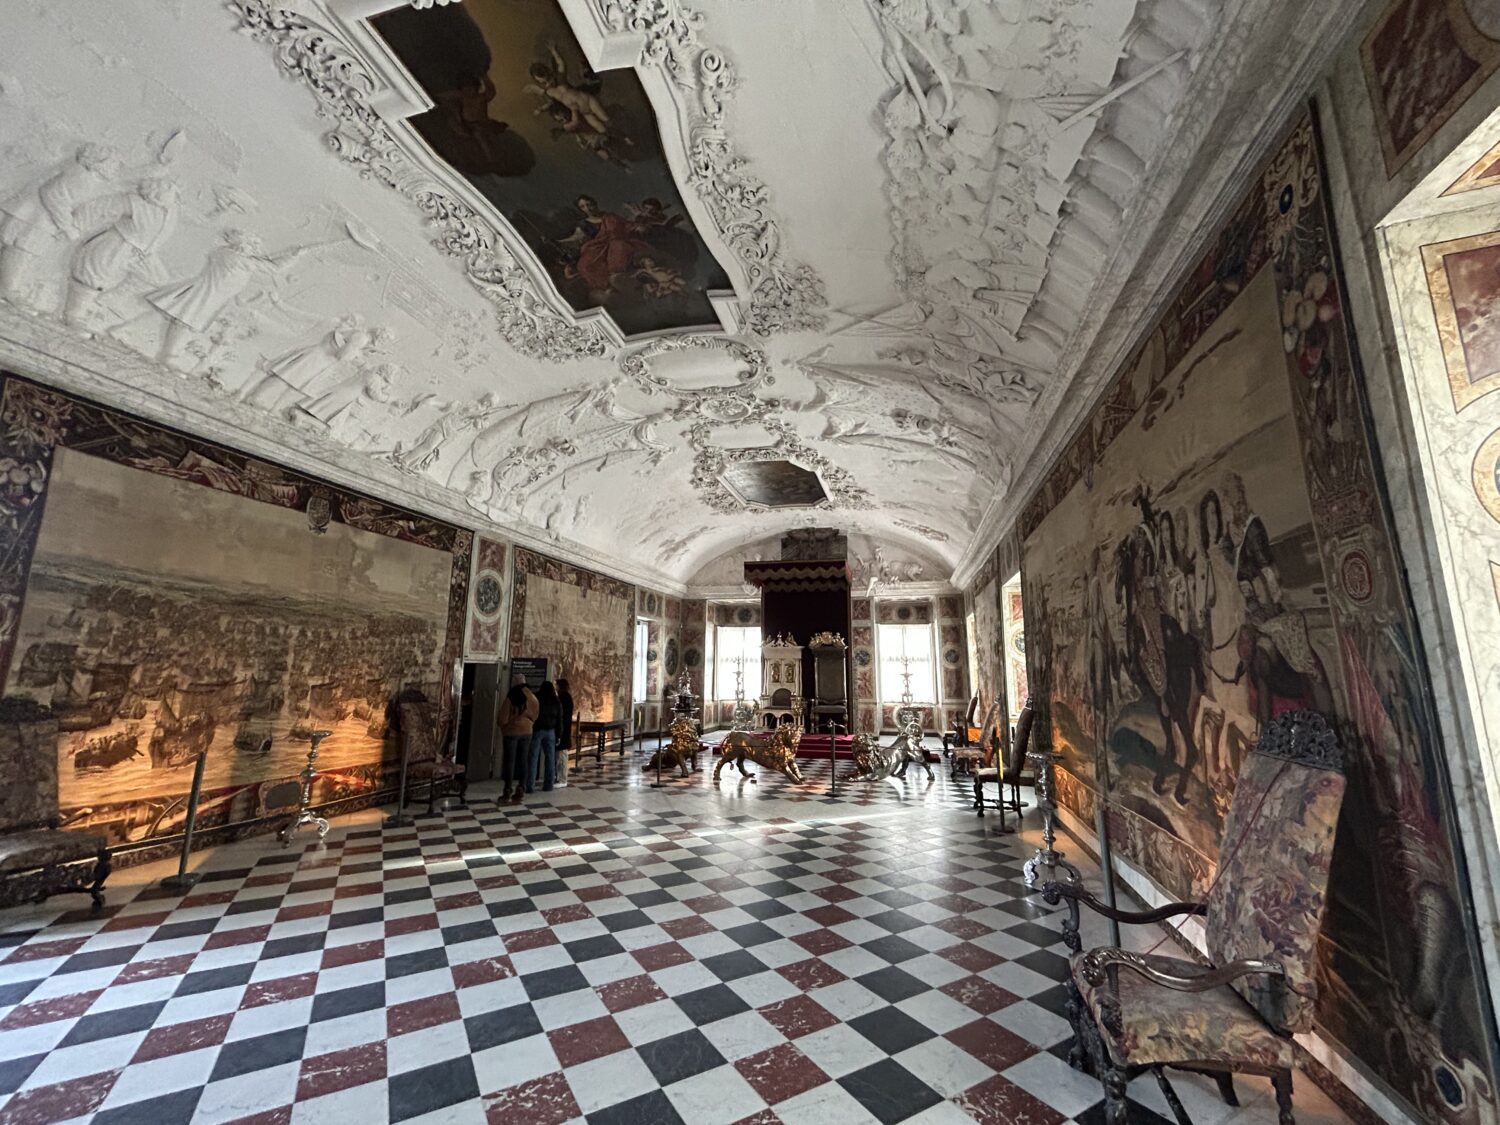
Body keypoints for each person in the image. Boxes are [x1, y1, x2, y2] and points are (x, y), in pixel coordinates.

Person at [497, 673, 537, 802]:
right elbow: (535, 715)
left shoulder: (512, 696)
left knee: (510, 761)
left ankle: (507, 790)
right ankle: (521, 788)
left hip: (512, 732)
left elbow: (503, 717)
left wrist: (503, 726)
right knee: (523, 760)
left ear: (515, 682)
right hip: (527, 732)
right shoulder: (532, 697)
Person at [530, 681, 560, 793]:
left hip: (537, 729)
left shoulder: (536, 698)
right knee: (550, 758)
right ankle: (548, 785)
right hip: (550, 730)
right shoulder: (555, 700)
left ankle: (530, 785)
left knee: (533, 758)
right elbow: (559, 717)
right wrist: (559, 734)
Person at [556, 677, 574, 779]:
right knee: (559, 756)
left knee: (562, 756)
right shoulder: (564, 697)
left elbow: (564, 716)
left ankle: (562, 778)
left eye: (557, 685)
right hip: (563, 729)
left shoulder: (565, 697)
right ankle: (559, 776)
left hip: (563, 730)